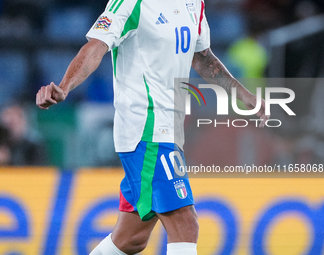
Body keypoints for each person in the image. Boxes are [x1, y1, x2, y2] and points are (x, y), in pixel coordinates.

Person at [36, 0, 269, 254]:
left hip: (169, 131)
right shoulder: (131, 3)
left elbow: (202, 58)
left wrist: (242, 94)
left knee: (131, 238)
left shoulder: (195, 4)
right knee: (185, 222)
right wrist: (65, 86)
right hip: (146, 130)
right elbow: (96, 47)